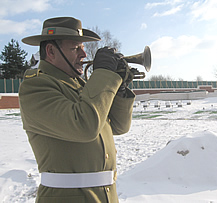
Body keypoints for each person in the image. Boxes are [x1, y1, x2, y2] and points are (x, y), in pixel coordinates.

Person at [19, 16, 135, 203]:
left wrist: (120, 89)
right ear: (51, 51)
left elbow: (119, 126)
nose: (84, 55)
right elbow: (85, 126)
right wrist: (104, 75)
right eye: (75, 48)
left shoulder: (79, 85)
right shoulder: (36, 87)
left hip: (106, 195)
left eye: (82, 48)